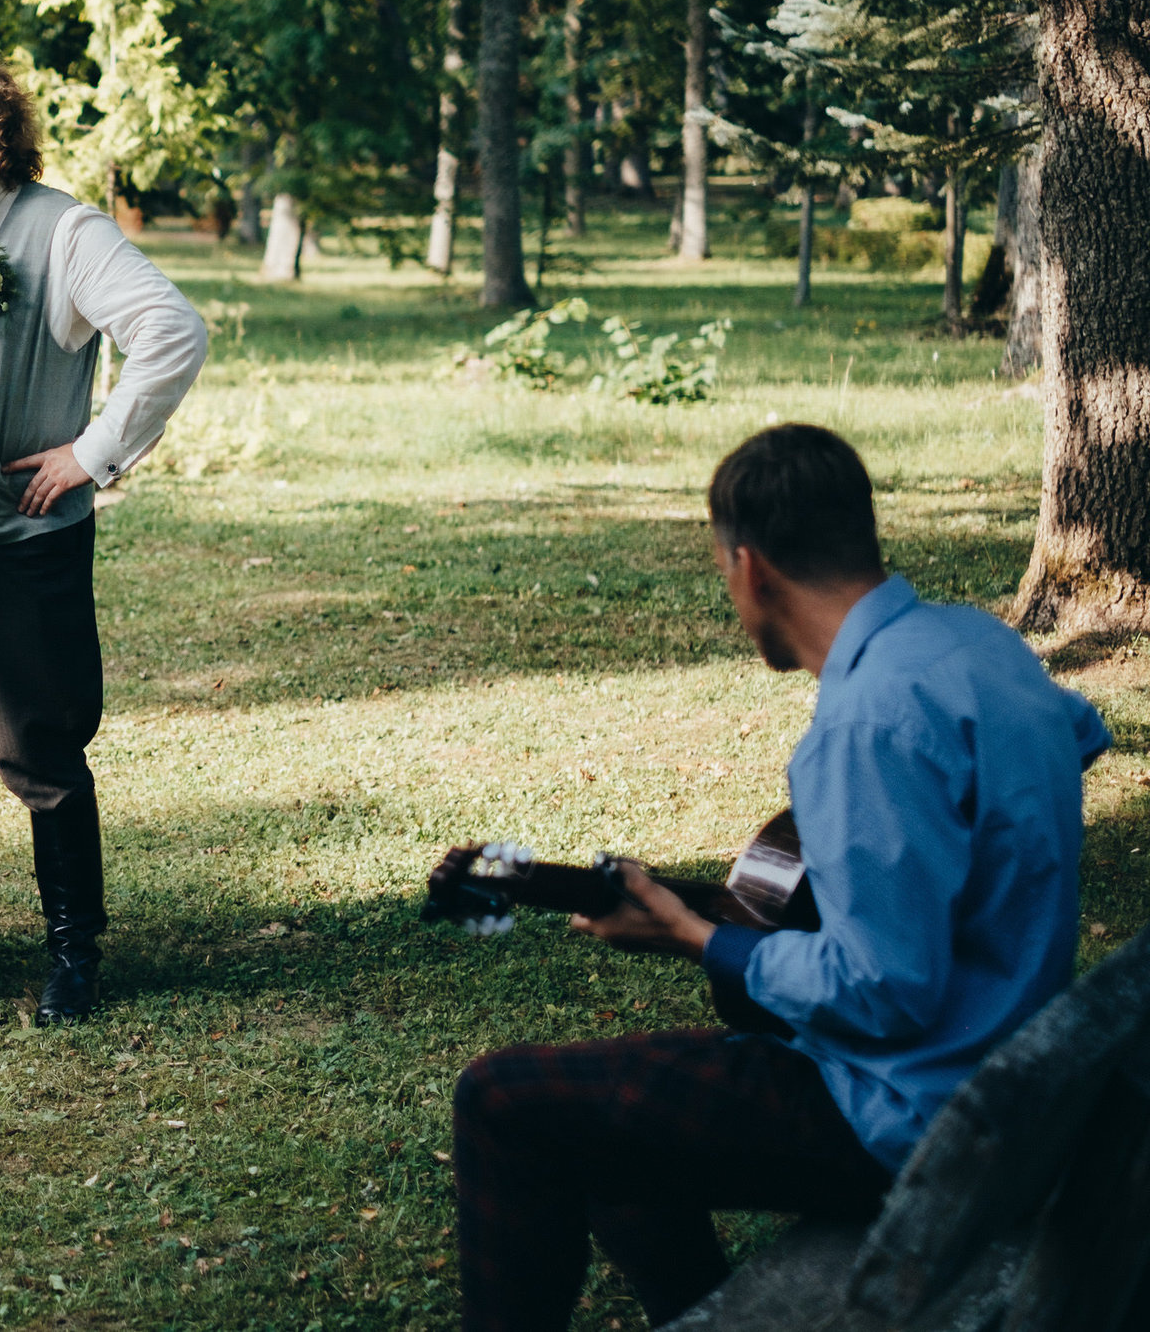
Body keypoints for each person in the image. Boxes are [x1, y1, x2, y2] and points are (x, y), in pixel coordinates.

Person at [450, 423, 1111, 1332]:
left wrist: (701, 938)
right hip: (1007, 1066)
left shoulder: (864, 726)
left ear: (750, 568)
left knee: (504, 1102)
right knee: (601, 1121)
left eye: (724, 572)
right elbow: (1080, 734)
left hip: (905, 1112)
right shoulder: (978, 647)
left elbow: (884, 990)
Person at [0, 43, 208, 1026]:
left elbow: (169, 329)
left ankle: (73, 954)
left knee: (37, 757)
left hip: (13, 549)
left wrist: (90, 455)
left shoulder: (61, 230)